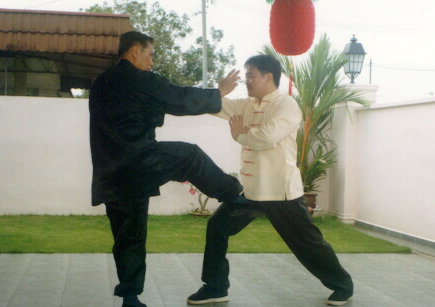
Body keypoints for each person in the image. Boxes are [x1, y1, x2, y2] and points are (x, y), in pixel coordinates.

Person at [89, 31, 244, 307]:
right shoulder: (139, 79)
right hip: (139, 161)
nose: (152, 62)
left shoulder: (101, 83)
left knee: (128, 235)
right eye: (150, 54)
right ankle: (233, 192)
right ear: (134, 51)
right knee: (189, 156)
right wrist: (217, 93)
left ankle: (130, 297)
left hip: (110, 174)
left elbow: (131, 113)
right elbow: (179, 98)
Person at [187, 55, 354, 306]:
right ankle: (215, 287)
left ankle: (343, 285)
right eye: (246, 76)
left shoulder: (286, 105)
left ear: (268, 77)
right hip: (252, 192)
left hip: (280, 193)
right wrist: (218, 91)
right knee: (217, 226)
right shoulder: (246, 104)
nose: (247, 80)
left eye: (251, 75)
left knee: (307, 244)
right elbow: (215, 106)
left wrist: (242, 136)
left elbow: (268, 137)